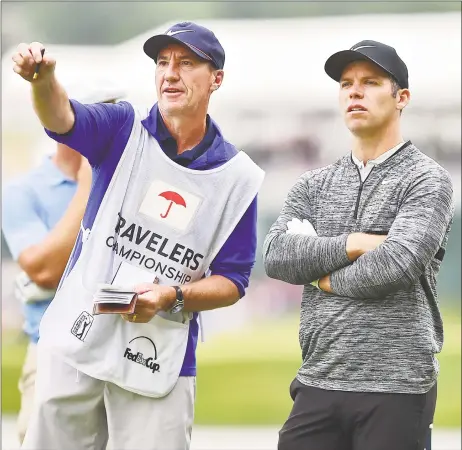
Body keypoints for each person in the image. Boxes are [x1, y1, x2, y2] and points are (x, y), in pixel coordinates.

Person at [13, 22, 264, 450]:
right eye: (163, 63)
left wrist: (172, 296)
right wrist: (44, 81)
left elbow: (233, 281)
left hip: (159, 353)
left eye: (186, 64)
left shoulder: (238, 177)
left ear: (216, 79)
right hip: (77, 337)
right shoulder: (122, 127)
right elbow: (63, 118)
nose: (170, 73)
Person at [263, 40, 454, 450]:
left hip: (397, 387)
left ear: (401, 97)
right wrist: (354, 243)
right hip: (318, 378)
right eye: (347, 83)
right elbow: (277, 255)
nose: (354, 91)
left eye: (370, 82)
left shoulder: (427, 180)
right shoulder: (312, 185)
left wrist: (320, 279)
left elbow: (396, 266)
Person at [2, 88, 125, 444]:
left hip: (122, 355)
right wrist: (92, 184)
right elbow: (43, 270)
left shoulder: (131, 185)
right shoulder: (24, 191)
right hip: (53, 351)